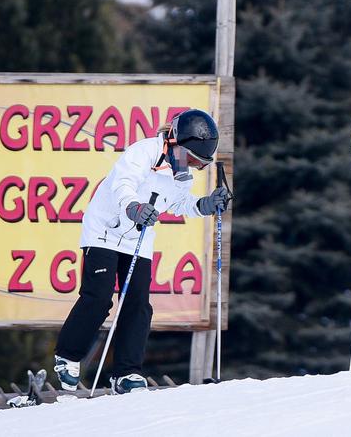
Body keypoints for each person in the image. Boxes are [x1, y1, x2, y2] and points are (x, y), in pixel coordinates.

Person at [53, 109, 230, 394]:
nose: (192, 166)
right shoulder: (143, 152)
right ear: (173, 140)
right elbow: (123, 185)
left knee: (138, 304)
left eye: (200, 164)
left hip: (139, 236)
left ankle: (126, 373)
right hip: (104, 230)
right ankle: (67, 355)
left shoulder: (182, 173)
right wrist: (133, 207)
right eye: (191, 157)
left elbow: (178, 204)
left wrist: (204, 205)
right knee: (98, 298)